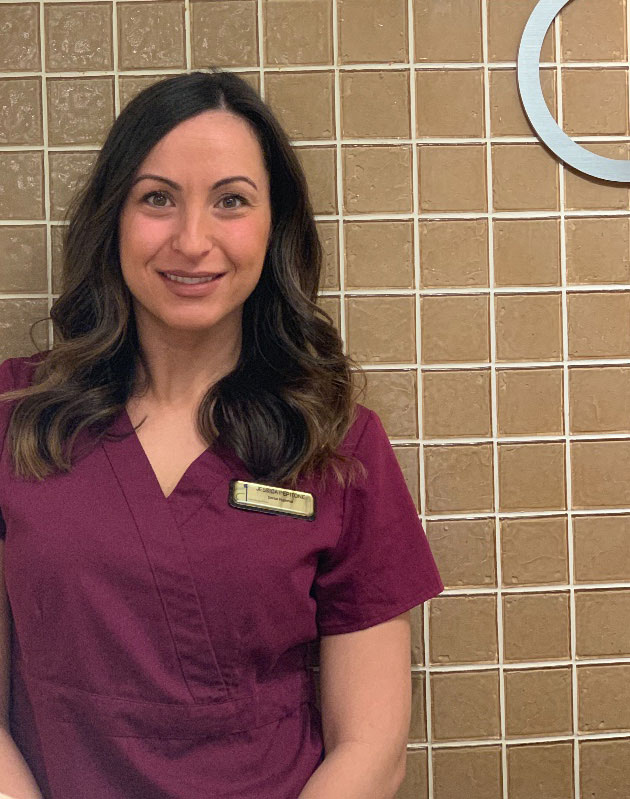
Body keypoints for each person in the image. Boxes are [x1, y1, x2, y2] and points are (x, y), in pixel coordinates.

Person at [0, 70, 443, 799]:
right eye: (157, 199)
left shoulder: (335, 443)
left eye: (231, 201)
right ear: (113, 218)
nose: (192, 239)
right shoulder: (20, 414)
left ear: (275, 227)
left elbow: (372, 747)